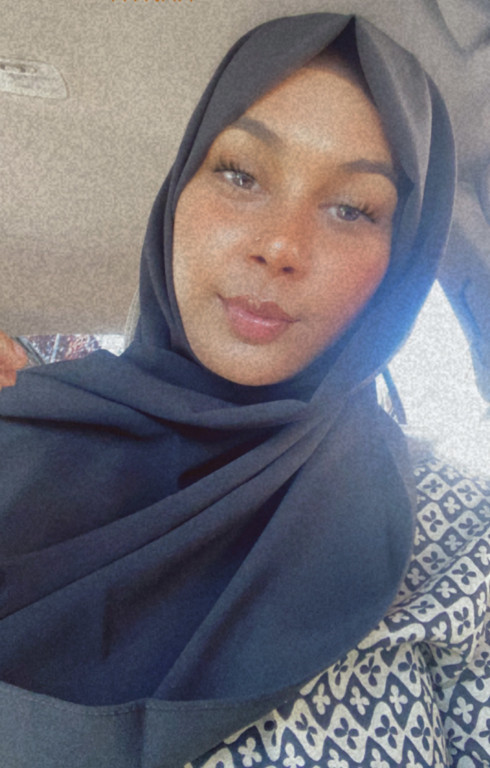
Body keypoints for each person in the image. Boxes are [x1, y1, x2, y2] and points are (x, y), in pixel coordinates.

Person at [0, 11, 488, 768]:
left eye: (352, 208)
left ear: (404, 261)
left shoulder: (463, 542)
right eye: (239, 174)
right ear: (179, 190)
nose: (281, 245)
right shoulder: (15, 443)